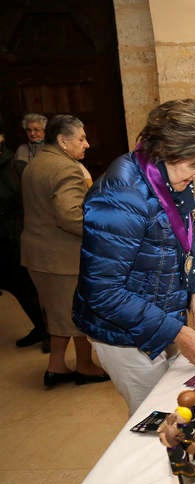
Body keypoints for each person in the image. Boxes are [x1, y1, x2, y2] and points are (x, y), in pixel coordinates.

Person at [73, 98, 195, 415]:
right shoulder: (121, 194)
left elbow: (185, 241)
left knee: (183, 412)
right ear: (170, 149)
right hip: (125, 338)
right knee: (158, 423)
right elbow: (102, 291)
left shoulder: (172, 176)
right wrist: (174, 331)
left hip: (162, 318)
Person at [20, 114, 108, 388]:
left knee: (58, 314)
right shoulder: (65, 168)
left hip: (41, 254)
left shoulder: (37, 163)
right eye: (81, 138)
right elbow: (71, 217)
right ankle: (84, 366)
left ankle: (56, 366)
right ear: (62, 140)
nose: (87, 144)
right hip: (62, 256)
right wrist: (107, 233)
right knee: (79, 313)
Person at [0, 124, 47, 349]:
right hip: (1, 240)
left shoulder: (17, 167)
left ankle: (51, 332)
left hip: (20, 236)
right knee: (16, 287)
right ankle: (40, 326)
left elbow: (34, 204)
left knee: (34, 287)